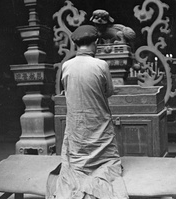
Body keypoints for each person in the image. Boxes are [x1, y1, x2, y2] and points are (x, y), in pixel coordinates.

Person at [47, 25, 128, 199]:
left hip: (77, 130)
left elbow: (68, 91)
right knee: (107, 166)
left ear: (76, 44)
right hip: (99, 126)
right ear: (96, 42)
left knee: (74, 165)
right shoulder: (101, 65)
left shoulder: (66, 66)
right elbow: (109, 92)